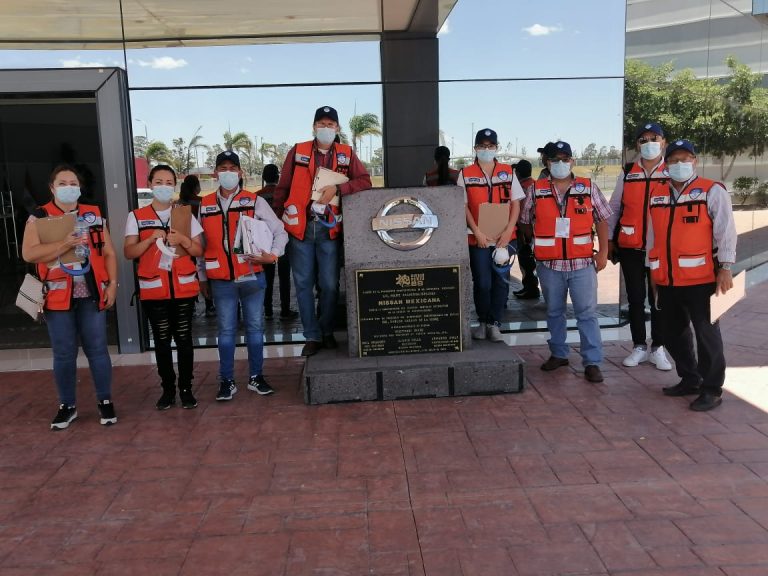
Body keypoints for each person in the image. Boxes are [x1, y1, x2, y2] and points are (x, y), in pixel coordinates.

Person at [21, 164, 119, 429]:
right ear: (52, 188)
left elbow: (108, 252)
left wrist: (112, 285)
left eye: (73, 183)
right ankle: (67, 405)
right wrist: (63, 245)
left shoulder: (93, 214)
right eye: (62, 184)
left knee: (98, 349)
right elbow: (29, 254)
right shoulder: (39, 216)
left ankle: (105, 401)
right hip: (57, 296)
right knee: (64, 353)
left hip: (91, 292)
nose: (68, 188)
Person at [274, 105, 372, 356]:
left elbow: (364, 181)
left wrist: (339, 190)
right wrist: (279, 221)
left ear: (337, 128)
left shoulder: (346, 154)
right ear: (314, 126)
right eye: (322, 124)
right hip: (301, 230)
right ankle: (312, 336)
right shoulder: (298, 151)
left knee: (329, 284)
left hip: (329, 229)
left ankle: (327, 330)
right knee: (304, 284)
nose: (326, 128)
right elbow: (282, 187)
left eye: (330, 125)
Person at [648, 139, 737, 411]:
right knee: (673, 333)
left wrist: (725, 267)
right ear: (666, 163)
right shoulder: (657, 194)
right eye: (673, 160)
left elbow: (726, 231)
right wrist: (653, 272)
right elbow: (652, 237)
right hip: (667, 279)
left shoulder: (712, 190)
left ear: (694, 161)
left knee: (706, 335)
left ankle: (712, 389)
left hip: (702, 280)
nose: (678, 164)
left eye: (684, 159)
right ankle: (690, 378)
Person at [519, 141, 612, 383]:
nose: (560, 164)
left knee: (587, 314)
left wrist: (603, 252)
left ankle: (592, 361)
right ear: (547, 164)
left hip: (582, 264)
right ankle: (559, 353)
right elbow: (525, 220)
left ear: (572, 161)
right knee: (554, 311)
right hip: (550, 266)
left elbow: (602, 219)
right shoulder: (536, 189)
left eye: (565, 159)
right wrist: (536, 241)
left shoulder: (588, 187)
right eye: (555, 160)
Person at [198, 150, 288, 400]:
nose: (228, 173)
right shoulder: (204, 205)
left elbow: (280, 231)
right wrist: (202, 276)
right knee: (225, 331)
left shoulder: (254, 201)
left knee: (255, 328)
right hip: (221, 280)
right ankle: (226, 380)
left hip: (251, 276)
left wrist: (273, 255)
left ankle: (256, 377)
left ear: (240, 172)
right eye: (223, 168)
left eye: (232, 168)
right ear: (216, 173)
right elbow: (200, 244)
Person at [124, 164, 203, 410]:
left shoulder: (185, 214)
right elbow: (129, 252)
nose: (164, 187)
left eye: (169, 182)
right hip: (154, 289)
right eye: (159, 182)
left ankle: (186, 388)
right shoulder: (136, 216)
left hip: (184, 288)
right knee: (161, 340)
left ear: (175, 186)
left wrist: (183, 240)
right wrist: (149, 239)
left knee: (183, 339)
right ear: (150, 184)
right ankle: (168, 389)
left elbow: (199, 250)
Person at [608, 122, 672, 371]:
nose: (649, 144)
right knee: (635, 299)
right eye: (643, 140)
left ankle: (659, 348)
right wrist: (611, 241)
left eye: (654, 138)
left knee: (659, 300)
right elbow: (614, 207)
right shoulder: (627, 172)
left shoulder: (671, 172)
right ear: (637, 145)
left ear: (664, 142)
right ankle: (638, 346)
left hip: (660, 249)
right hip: (631, 248)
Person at [460, 128, 524, 342]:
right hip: (478, 238)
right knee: (482, 282)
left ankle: (495, 323)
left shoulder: (508, 171)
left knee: (501, 281)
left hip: (504, 238)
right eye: (482, 146)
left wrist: (507, 232)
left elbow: (516, 203)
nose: (486, 149)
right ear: (475, 148)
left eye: (490, 146)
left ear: (497, 148)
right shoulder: (465, 173)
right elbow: (463, 206)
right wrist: (477, 232)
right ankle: (482, 321)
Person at [258, 163, 297, 321]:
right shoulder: (285, 194)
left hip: (264, 241)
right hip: (283, 239)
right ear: (278, 177)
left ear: (263, 178)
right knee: (284, 276)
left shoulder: (257, 196)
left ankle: (267, 309)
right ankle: (285, 309)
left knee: (266, 277)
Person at [179, 174, 216, 318]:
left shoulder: (179, 203)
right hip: (198, 244)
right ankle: (209, 305)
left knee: (189, 275)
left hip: (183, 246)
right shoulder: (201, 202)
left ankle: (192, 305)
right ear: (196, 187)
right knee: (204, 273)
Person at [511, 159, 540, 300]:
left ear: (519, 172)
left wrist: (522, 233)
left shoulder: (522, 188)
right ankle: (529, 287)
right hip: (536, 229)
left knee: (526, 260)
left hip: (525, 230)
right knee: (531, 260)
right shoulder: (536, 184)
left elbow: (522, 212)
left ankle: (531, 289)